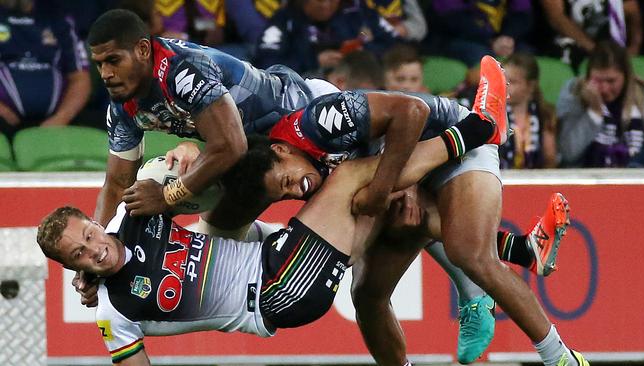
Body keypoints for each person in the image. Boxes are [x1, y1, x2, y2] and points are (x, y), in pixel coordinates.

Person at [37, 94, 503, 365]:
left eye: (88, 237)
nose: (93, 251)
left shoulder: (131, 214)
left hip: (278, 257)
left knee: (392, 218)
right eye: (78, 255)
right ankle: (477, 128)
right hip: (276, 289)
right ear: (68, 267)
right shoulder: (113, 313)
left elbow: (165, 170)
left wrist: (179, 151)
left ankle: (520, 250)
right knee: (352, 179)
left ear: (97, 224)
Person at [86, 9, 339, 229]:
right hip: (260, 158)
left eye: (113, 60)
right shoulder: (122, 108)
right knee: (215, 232)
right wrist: (98, 242)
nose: (106, 74)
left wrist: (166, 196)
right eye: (99, 65)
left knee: (366, 212)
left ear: (142, 49)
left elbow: (230, 145)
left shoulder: (182, 70)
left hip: (313, 119)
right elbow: (118, 184)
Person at [0, 0, 91, 139]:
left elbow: (80, 78)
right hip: (4, 119)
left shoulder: (60, 19)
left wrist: (61, 118)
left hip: (57, 119)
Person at [557, 40, 644, 167]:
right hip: (584, 176)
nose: (605, 89)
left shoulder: (642, 92)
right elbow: (568, 153)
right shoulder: (574, 92)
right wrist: (594, 113)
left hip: (635, 176)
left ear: (626, 76)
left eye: (611, 81)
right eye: (598, 80)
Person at [254, 0, 402, 76]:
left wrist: (363, 53)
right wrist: (315, 61)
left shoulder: (357, 11)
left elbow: (397, 45)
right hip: (306, 87)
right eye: (319, 0)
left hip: (359, 82)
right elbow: (266, 65)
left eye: (332, 0)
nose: (326, 5)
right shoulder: (284, 20)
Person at [501, 53, 558, 168]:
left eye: (512, 81)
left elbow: (550, 159)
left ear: (531, 85)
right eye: (502, 79)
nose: (504, 85)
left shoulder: (544, 115)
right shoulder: (491, 114)